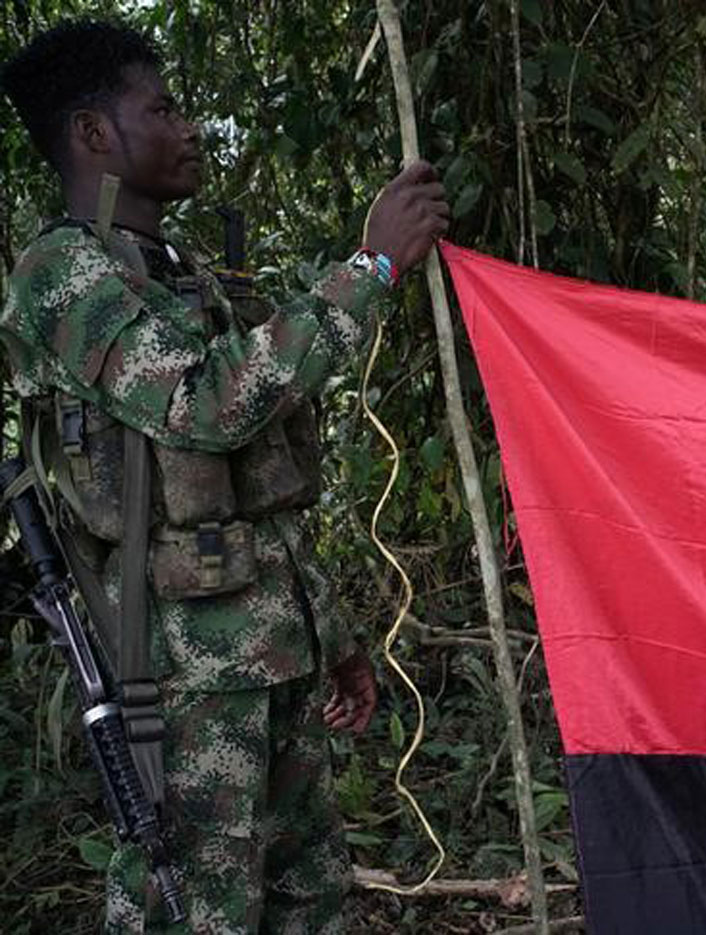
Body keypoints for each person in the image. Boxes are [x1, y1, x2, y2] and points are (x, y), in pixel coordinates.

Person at [0, 19, 448, 933]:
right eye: (161, 108)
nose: (190, 126)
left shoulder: (176, 272)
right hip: (182, 686)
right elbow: (209, 405)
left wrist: (333, 633)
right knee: (195, 914)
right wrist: (370, 267)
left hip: (272, 663)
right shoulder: (60, 276)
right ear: (93, 134)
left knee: (309, 903)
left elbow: (252, 485)